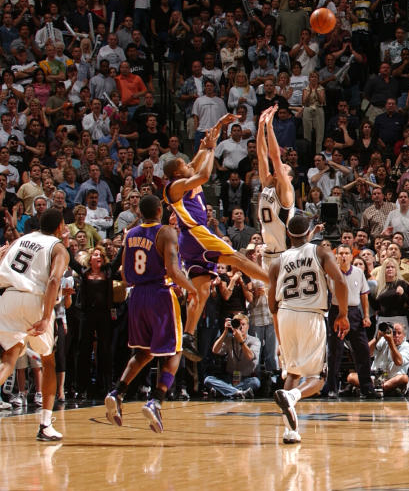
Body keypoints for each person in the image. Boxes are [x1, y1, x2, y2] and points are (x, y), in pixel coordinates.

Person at [163, 113, 269, 361]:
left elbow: (204, 149)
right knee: (238, 261)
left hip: (190, 243)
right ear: (178, 173)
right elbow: (203, 175)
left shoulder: (184, 177)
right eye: (184, 165)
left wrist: (220, 125)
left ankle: (188, 336)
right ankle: (277, 283)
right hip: (197, 234)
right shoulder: (175, 187)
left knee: (199, 293)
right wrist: (210, 151)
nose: (190, 164)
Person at [103, 195, 196, 433]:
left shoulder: (130, 233)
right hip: (160, 295)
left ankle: (118, 392)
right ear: (158, 210)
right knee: (175, 351)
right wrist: (193, 290)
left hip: (136, 297)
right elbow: (174, 272)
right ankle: (156, 400)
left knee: (143, 353)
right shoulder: (166, 232)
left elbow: (124, 275)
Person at [0, 209, 69, 441]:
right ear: (59, 226)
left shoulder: (20, 240)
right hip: (33, 299)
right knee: (48, 360)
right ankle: (45, 424)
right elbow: (54, 280)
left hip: (8, 298)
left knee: (10, 355)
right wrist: (47, 317)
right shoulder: (58, 247)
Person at [268, 214, 350, 445]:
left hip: (285, 315)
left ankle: (290, 432)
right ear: (309, 233)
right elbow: (341, 282)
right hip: (311, 315)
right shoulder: (320, 252)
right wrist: (342, 314)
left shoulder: (277, 262)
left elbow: (271, 304)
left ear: (287, 235)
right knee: (318, 378)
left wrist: (279, 335)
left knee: (293, 372)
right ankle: (292, 396)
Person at [327, 244, 377, 398]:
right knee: (335, 351)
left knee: (362, 350)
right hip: (336, 311)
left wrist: (366, 315)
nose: (343, 256)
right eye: (340, 253)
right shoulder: (330, 273)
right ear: (336, 256)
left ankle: (366, 388)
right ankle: (332, 388)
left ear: (351, 256)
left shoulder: (358, 272)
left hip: (355, 312)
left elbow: (364, 295)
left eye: (346, 253)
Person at [256, 105, 295, 263]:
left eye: (285, 169)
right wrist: (260, 126)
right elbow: (262, 155)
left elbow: (275, 157)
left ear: (289, 178)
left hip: (283, 254)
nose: (280, 168)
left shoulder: (286, 191)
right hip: (267, 252)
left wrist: (270, 126)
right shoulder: (268, 184)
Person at [203, 313, 262, 399]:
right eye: (238, 324)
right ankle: (237, 392)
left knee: (255, 382)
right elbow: (215, 350)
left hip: (245, 378)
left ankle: (224, 391)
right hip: (229, 378)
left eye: (243, 324)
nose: (241, 327)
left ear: (248, 326)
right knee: (208, 380)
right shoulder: (229, 339)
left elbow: (250, 356)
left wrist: (241, 341)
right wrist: (225, 332)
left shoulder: (254, 340)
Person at [347, 322, 409, 396]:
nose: (396, 336)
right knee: (351, 377)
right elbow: (366, 353)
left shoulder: (407, 347)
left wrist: (391, 342)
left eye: (399, 333)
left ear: (404, 335)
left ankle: (371, 389)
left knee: (404, 378)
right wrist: (377, 338)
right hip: (375, 379)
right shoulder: (383, 340)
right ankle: (380, 390)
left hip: (391, 380)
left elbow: (398, 362)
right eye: (394, 333)